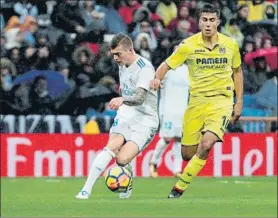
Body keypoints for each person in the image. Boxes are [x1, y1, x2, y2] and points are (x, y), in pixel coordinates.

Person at [150, 4, 243, 198]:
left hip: (222, 101)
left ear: (218, 22)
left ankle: (179, 187)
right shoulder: (188, 45)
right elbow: (165, 65)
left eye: (212, 20)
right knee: (187, 155)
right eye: (204, 20)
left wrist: (238, 101)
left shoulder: (230, 44)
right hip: (196, 103)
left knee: (207, 144)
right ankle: (199, 146)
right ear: (199, 22)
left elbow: (237, 71)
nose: (208, 24)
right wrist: (157, 78)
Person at [76, 33, 159, 199]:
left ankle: (127, 176)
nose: (115, 58)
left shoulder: (144, 68)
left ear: (130, 50)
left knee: (121, 160)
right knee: (111, 147)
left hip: (146, 119)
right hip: (127, 112)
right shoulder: (122, 63)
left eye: (118, 54)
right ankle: (86, 189)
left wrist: (122, 99)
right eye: (113, 54)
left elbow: (140, 98)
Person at [149, 43, 190, 178]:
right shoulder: (166, 68)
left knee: (179, 139)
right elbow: (155, 81)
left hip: (182, 110)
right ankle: (153, 163)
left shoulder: (188, 71)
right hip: (168, 110)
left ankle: (177, 170)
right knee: (167, 138)